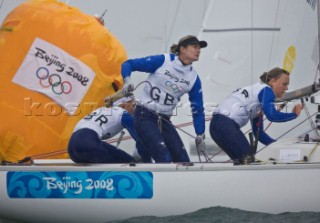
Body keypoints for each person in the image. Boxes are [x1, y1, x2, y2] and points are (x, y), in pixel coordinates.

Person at [120, 35, 207, 163]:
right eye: (194, 47)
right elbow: (128, 64)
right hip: (144, 116)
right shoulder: (163, 61)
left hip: (165, 121)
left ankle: (142, 152)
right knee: (164, 157)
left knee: (184, 161)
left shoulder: (193, 79)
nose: (198, 50)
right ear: (182, 49)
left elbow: (198, 109)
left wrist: (200, 134)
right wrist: (127, 80)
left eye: (199, 48)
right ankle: (141, 153)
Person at [209, 67, 304, 164]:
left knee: (243, 162)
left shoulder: (257, 95)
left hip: (216, 126)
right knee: (248, 160)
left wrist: (277, 145)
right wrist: (294, 114)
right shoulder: (266, 90)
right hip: (225, 125)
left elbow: (259, 133)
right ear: (272, 81)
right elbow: (272, 115)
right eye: (284, 84)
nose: (287, 88)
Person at [67, 94, 151, 163]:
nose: (135, 109)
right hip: (88, 144)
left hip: (71, 149)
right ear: (125, 105)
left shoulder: (102, 110)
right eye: (134, 105)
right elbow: (142, 141)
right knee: (130, 163)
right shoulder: (123, 114)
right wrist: (148, 163)